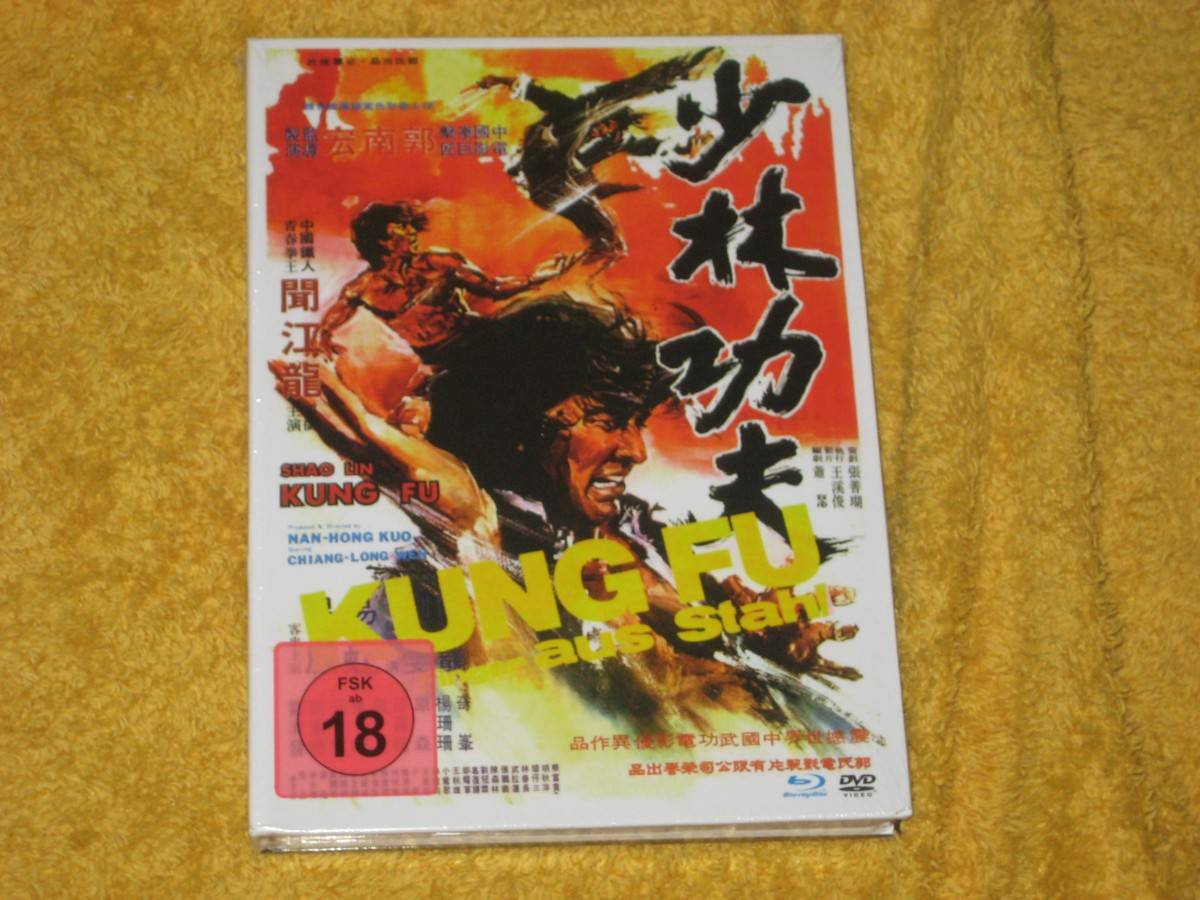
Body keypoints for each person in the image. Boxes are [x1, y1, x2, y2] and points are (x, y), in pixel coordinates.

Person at [274, 297, 860, 729]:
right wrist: (472, 537)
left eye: (636, 422)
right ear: (520, 427)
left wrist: (767, 640)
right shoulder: (461, 571)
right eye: (607, 421)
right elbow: (513, 733)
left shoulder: (641, 531)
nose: (636, 451)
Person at [314, 200, 578, 361]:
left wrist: (536, 278)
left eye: (410, 225)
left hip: (475, 334)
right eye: (401, 228)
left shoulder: (438, 262)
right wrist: (322, 337)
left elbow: (494, 287)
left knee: (548, 310)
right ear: (383, 240)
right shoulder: (363, 288)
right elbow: (331, 320)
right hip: (436, 355)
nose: (412, 232)